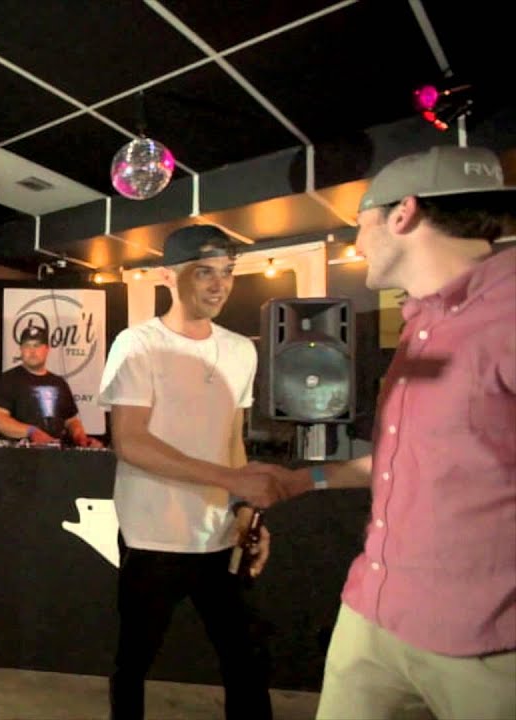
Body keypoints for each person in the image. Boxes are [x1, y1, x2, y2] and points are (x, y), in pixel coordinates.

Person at [257, 145, 516, 720]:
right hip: (372, 615)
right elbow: (404, 460)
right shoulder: (420, 322)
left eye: (361, 224)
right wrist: (302, 482)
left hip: (486, 644)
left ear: (403, 214)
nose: (357, 243)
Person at [98, 224, 286, 720]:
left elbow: (232, 439)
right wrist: (230, 481)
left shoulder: (241, 350)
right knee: (134, 662)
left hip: (221, 534)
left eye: (227, 272)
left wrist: (245, 510)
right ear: (168, 276)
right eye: (204, 272)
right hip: (152, 536)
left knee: (247, 660)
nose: (219, 284)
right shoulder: (137, 344)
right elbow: (130, 441)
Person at [0, 324, 103, 447]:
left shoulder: (59, 383)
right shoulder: (8, 380)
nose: (32, 351)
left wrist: (81, 438)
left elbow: (71, 420)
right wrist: (31, 431)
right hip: (20, 453)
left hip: (56, 453)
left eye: (37, 345)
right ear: (20, 349)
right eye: (27, 346)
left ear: (47, 349)